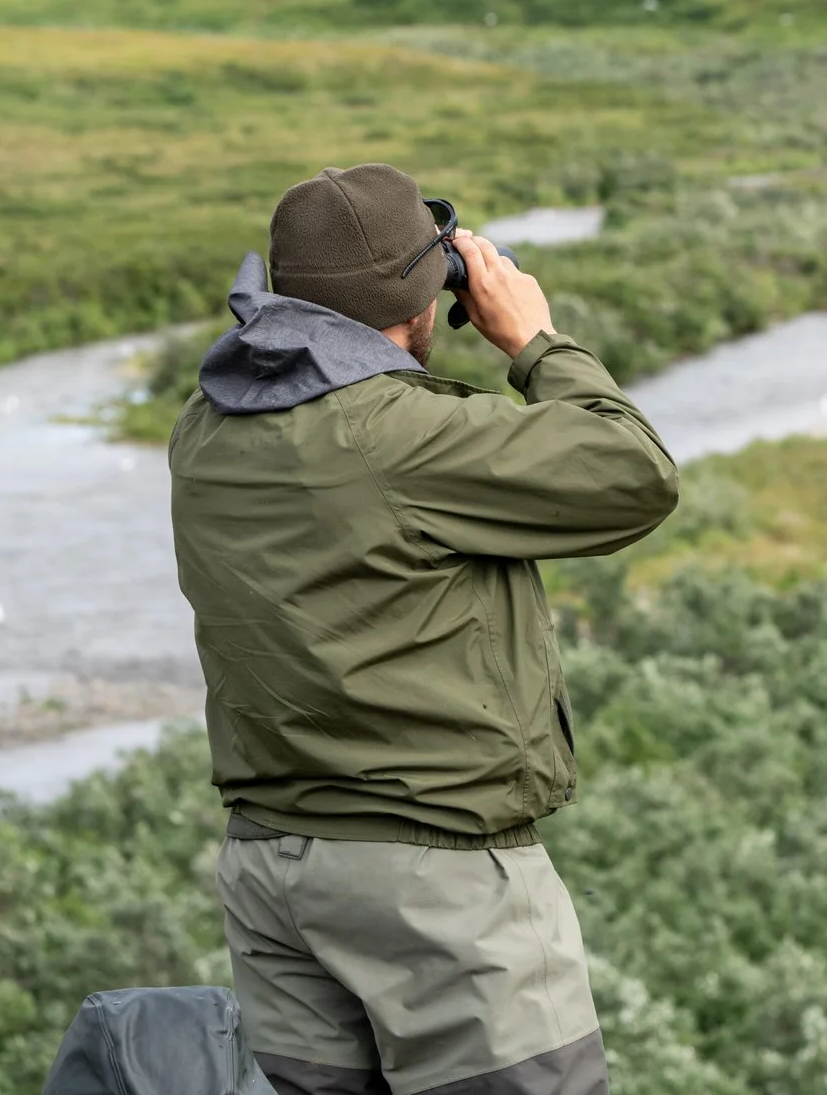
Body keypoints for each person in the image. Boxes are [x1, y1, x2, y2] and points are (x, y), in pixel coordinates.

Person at [170, 164, 681, 1095]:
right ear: (424, 297)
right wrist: (534, 340)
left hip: (272, 869)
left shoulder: (204, 424)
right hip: (436, 884)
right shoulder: (407, 436)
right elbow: (633, 472)